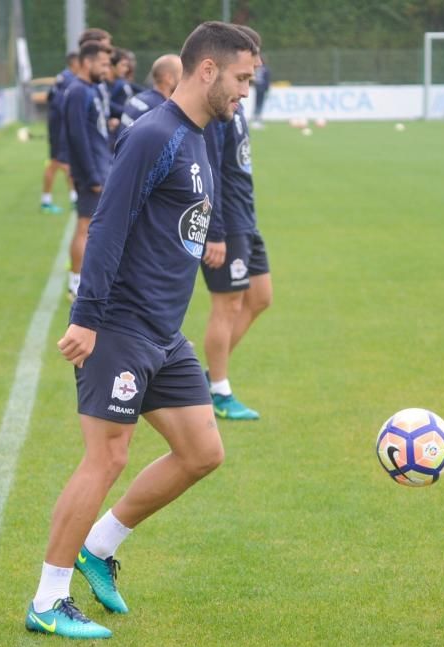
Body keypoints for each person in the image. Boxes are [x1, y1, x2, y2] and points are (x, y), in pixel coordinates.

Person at [25, 21, 257, 640]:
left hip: (163, 330)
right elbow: (106, 226)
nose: (244, 93)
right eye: (241, 79)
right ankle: (48, 600)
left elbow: (174, 215)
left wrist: (208, 234)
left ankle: (98, 548)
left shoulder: (203, 134)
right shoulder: (153, 134)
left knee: (203, 451)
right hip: (121, 324)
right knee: (107, 458)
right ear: (207, 70)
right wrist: (87, 319)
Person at [200, 24, 270, 421]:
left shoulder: (236, 106)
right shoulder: (215, 113)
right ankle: (218, 391)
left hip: (247, 217)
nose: (248, 84)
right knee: (226, 306)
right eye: (244, 76)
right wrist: (217, 232)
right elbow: (210, 173)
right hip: (227, 224)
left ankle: (210, 375)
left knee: (261, 297)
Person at [62, 40, 113, 300]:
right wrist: (92, 175)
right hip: (91, 173)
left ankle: (89, 279)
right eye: (102, 64)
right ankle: (76, 281)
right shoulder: (78, 91)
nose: (106, 69)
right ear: (87, 62)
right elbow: (78, 137)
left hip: (101, 168)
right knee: (85, 225)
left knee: (95, 226)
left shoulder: (90, 89)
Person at [41, 52, 79, 214]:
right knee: (59, 162)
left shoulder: (62, 77)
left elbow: (49, 97)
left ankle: (73, 198)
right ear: (74, 63)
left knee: (62, 163)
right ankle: (47, 201)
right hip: (58, 128)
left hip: (57, 126)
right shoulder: (68, 79)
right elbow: (58, 103)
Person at [119, 54, 182, 128]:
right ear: (168, 78)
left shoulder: (139, 97)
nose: (184, 79)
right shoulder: (161, 112)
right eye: (182, 73)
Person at [250, 56, 269, 129]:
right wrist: (267, 89)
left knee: (256, 104)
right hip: (263, 88)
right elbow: (267, 80)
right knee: (260, 104)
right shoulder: (266, 70)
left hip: (257, 88)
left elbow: (254, 79)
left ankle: (255, 119)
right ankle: (257, 120)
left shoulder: (258, 70)